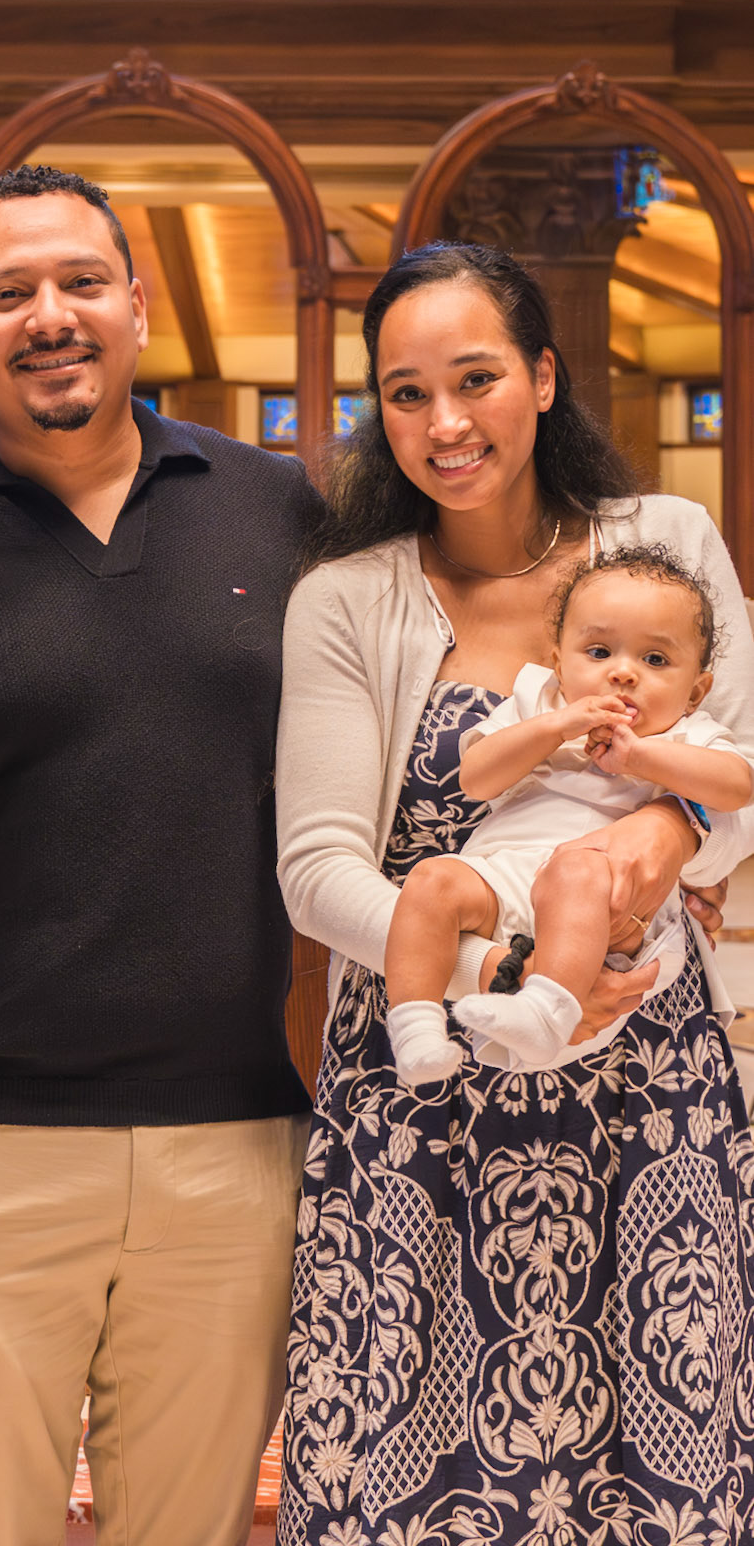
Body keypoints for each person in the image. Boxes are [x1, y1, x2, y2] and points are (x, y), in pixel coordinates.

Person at [0, 163, 320, 1546]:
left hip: (235, 1147)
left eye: (81, 281)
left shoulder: (280, 514)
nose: (49, 315)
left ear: (136, 306)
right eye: (6, 291)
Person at [273, 241, 754, 1546]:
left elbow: (741, 774)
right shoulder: (345, 599)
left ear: (542, 377)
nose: (445, 421)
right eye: (407, 391)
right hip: (421, 1090)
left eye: (476, 377)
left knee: (648, 1475)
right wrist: (498, 970)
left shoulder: (665, 543)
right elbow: (317, 871)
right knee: (408, 1477)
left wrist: (660, 834)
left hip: (642, 1086)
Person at [388, 544, 752, 1081]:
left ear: (696, 691)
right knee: (431, 881)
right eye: (599, 652)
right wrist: (553, 728)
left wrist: (641, 758)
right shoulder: (539, 706)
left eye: (655, 660)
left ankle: (545, 1011)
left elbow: (738, 786)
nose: (622, 673)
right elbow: (475, 778)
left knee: (576, 868)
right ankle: (416, 1030)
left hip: (606, 901)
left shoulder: (686, 732)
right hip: (504, 876)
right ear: (558, 663)